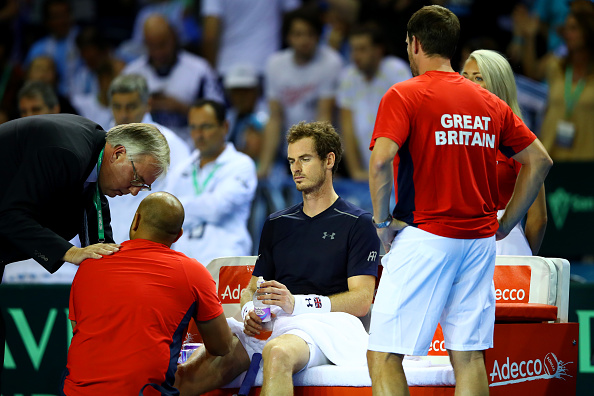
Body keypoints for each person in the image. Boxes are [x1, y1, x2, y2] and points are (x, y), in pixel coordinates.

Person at [366, 6, 553, 396]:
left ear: (414, 44)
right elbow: (539, 160)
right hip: (479, 243)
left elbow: (381, 160)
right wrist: (505, 223)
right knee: (467, 356)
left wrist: (382, 225)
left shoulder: (405, 93)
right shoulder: (489, 102)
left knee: (383, 354)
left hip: (427, 236)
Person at [175, 121, 380, 396]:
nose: (296, 168)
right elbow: (251, 289)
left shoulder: (358, 222)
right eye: (292, 161)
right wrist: (250, 312)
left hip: (328, 327)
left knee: (278, 352)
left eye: (305, 159)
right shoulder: (277, 223)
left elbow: (362, 300)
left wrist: (297, 303)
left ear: (329, 160)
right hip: (276, 322)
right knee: (185, 377)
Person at [0, 114, 170, 384]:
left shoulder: (94, 160)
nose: (136, 191)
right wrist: (70, 252)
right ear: (118, 154)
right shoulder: (65, 153)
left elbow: (102, 244)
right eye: (137, 178)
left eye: (145, 185)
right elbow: (9, 217)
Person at [62, 192, 233, 395]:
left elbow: (79, 330)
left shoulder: (89, 264)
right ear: (178, 235)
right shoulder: (193, 272)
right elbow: (222, 347)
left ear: (136, 220)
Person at [462, 49, 547, 255]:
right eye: (464, 77)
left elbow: (538, 218)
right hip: (455, 242)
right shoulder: (450, 135)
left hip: (502, 246)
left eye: (479, 78)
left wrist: (522, 255)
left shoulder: (519, 140)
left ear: (497, 86)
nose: (469, 84)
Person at [165, 99, 257, 265]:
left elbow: (217, 209)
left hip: (226, 263)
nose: (198, 134)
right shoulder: (181, 169)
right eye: (193, 127)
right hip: (182, 263)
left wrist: (179, 207)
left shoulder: (241, 164)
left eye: (206, 126)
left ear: (225, 127)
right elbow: (165, 215)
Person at [257, 6, 343, 178]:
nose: (304, 40)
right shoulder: (275, 64)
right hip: (289, 151)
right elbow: (275, 117)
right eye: (298, 34)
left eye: (310, 34)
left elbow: (324, 116)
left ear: (318, 36)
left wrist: (319, 163)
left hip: (321, 150)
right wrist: (264, 166)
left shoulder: (330, 62)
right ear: (288, 37)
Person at [107, 73, 191, 243]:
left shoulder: (171, 144)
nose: (123, 114)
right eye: (117, 107)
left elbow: (179, 202)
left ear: (148, 104)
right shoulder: (102, 140)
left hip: (149, 244)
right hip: (103, 242)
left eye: (130, 107)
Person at [122, 14, 223, 145]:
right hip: (143, 149)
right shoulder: (131, 73)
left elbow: (219, 116)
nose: (158, 52)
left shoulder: (199, 70)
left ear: (174, 37)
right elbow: (117, 118)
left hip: (190, 148)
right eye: (152, 46)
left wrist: (182, 108)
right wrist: (142, 108)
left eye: (163, 44)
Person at [337, 25, 411, 181]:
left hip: (397, 168)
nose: (356, 55)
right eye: (353, 49)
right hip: (365, 168)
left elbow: (405, 124)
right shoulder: (348, 76)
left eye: (362, 49)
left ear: (378, 50)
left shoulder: (396, 70)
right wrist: (355, 171)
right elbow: (347, 128)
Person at [200, 0, 300, 77]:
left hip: (227, 68)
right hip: (266, 66)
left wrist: (211, 75)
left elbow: (210, 36)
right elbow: (294, 20)